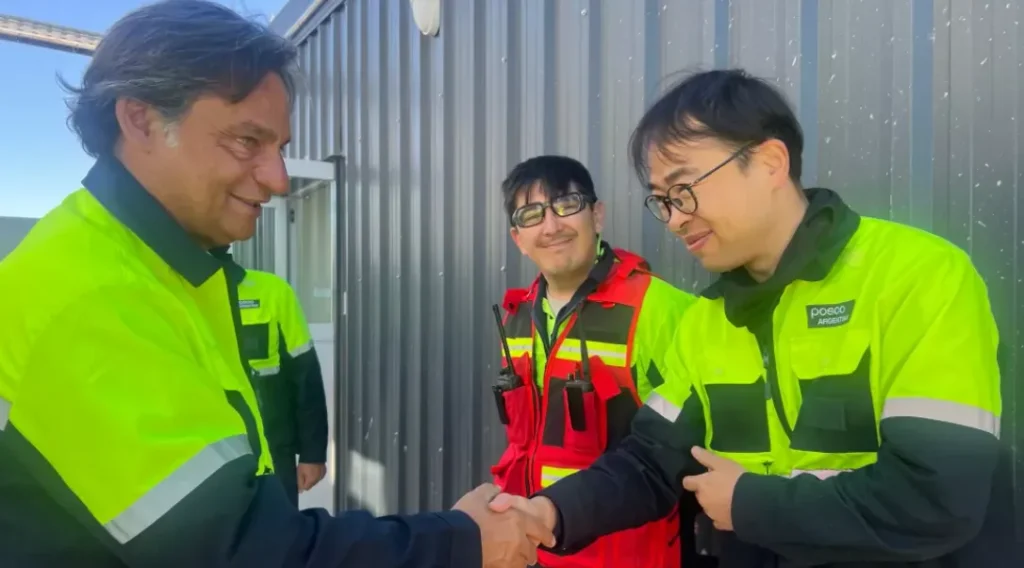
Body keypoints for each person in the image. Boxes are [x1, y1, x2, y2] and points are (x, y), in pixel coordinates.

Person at [0, 2, 552, 567]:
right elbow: (242, 551)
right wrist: (463, 540)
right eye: (247, 141)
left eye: (280, 148)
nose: (279, 179)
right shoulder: (89, 295)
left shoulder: (163, 273)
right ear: (140, 120)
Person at [489, 69, 1007, 567]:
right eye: (662, 201)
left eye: (684, 189)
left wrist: (749, 504)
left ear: (770, 163)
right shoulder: (708, 321)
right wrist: (549, 513)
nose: (674, 219)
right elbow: (650, 461)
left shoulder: (917, 276)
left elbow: (937, 495)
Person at [490, 155, 697, 568]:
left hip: (631, 555)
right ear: (518, 238)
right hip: (538, 549)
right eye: (531, 215)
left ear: (597, 215)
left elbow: (682, 450)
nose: (551, 226)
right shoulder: (517, 317)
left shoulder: (661, 309)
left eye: (566, 205)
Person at [217, 252, 329, 508]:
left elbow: (305, 377)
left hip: (273, 453)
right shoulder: (170, 297)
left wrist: (312, 454)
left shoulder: (272, 292)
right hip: (202, 458)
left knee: (278, 529)